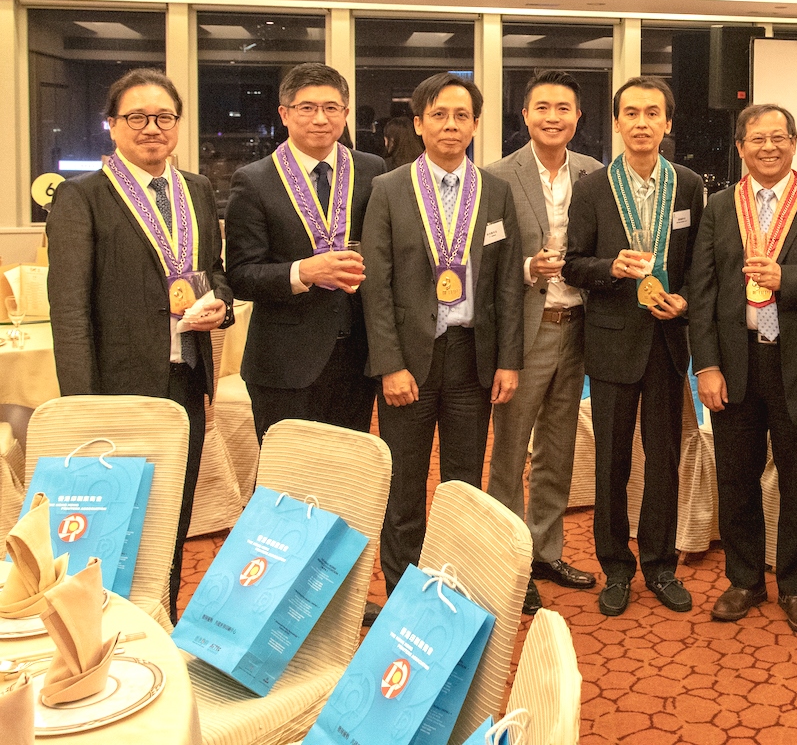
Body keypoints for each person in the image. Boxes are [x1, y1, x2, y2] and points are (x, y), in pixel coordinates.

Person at [46, 68, 233, 622]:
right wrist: (83, 408)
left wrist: (221, 304)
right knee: (115, 520)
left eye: (164, 117)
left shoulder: (197, 190)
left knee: (173, 514)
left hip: (185, 380)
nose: (152, 127)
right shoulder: (82, 197)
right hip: (117, 390)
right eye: (137, 117)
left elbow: (214, 272)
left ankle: (162, 619)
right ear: (112, 124)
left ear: (177, 125)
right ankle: (101, 630)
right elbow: (70, 312)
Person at [689, 104, 797, 635]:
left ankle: (796, 587)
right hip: (735, 363)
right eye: (757, 139)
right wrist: (706, 365)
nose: (769, 147)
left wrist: (789, 278)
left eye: (779, 138)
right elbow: (703, 290)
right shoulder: (720, 207)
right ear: (740, 147)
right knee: (736, 477)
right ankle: (744, 581)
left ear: (794, 143)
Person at [361, 72, 523, 594]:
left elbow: (507, 285)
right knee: (404, 486)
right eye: (438, 115)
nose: (450, 125)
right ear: (419, 124)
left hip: (473, 358)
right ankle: (402, 593)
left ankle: (456, 588)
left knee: (463, 484)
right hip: (410, 360)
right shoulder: (388, 189)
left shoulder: (495, 192)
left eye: (461, 116)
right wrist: (389, 364)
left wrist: (508, 360)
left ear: (475, 125)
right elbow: (376, 286)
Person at [563, 76, 704, 617]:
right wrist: (611, 268)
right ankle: (616, 568)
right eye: (631, 113)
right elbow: (574, 264)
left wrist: (685, 301)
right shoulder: (593, 188)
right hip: (613, 342)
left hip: (667, 341)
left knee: (664, 459)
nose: (642, 123)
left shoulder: (688, 185)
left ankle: (661, 566)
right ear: (617, 122)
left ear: (667, 122)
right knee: (611, 463)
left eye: (652, 113)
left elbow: (700, 265)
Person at [486, 70, 602, 615]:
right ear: (525, 115)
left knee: (558, 448)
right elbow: (483, 260)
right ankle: (508, 561)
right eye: (542, 108)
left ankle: (545, 552)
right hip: (526, 330)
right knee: (510, 450)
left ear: (578, 116)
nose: (552, 117)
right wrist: (528, 268)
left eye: (563, 108)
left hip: (578, 326)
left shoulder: (595, 173)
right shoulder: (496, 176)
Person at [225, 63, 384, 443]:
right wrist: (303, 272)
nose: (320, 118)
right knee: (287, 471)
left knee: (348, 466)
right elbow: (241, 276)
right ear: (284, 114)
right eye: (307, 108)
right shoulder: (254, 180)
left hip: (357, 357)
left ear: (346, 113)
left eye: (331, 108)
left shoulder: (371, 170)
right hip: (284, 362)